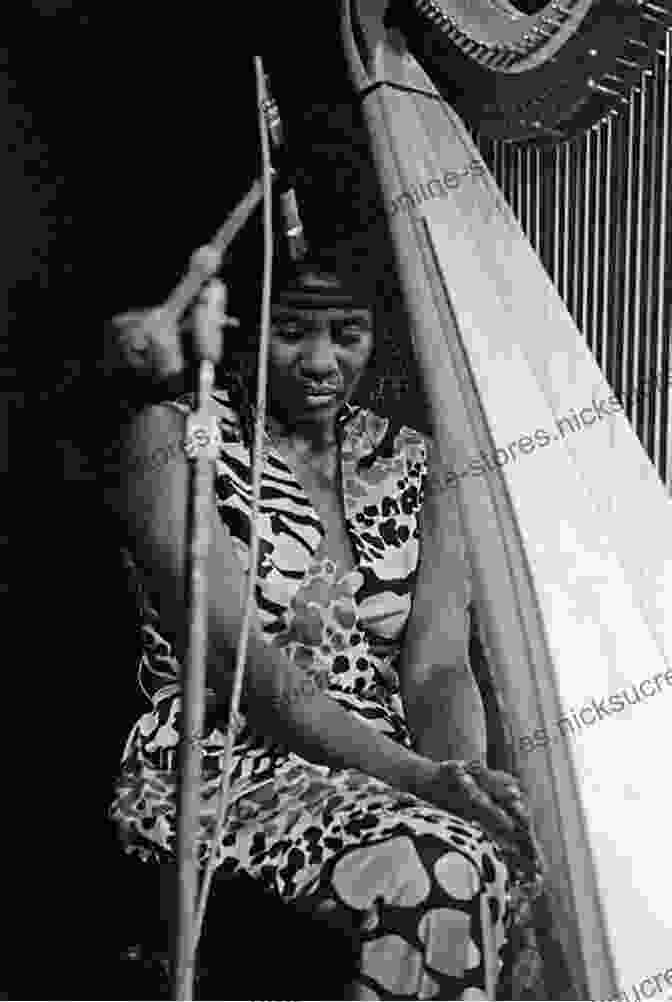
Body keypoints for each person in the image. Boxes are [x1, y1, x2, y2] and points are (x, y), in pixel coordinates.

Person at [105, 249, 545, 1000]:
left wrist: (461, 782)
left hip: (388, 765)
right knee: (438, 871)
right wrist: (422, 783)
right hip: (227, 760)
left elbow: (438, 669)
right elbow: (249, 668)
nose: (320, 360)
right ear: (241, 329)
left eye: (347, 332)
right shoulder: (173, 440)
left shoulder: (418, 461)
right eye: (292, 332)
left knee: (523, 858)